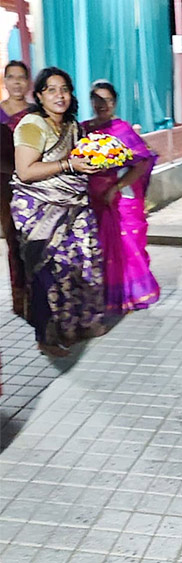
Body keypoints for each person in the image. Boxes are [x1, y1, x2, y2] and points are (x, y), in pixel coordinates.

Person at [11, 67, 105, 357]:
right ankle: (46, 338)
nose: (59, 95)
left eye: (64, 88)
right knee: (46, 276)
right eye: (51, 89)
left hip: (73, 210)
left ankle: (73, 328)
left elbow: (78, 163)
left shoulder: (73, 127)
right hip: (40, 212)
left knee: (75, 272)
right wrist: (68, 166)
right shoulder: (31, 124)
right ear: (39, 95)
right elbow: (26, 172)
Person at [81, 80, 160, 315]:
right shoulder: (85, 129)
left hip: (121, 198)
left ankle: (133, 294)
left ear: (114, 103)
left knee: (128, 245)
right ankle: (108, 295)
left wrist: (116, 187)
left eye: (107, 100)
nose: (102, 104)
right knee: (101, 249)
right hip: (94, 199)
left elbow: (143, 161)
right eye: (97, 99)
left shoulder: (122, 129)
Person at [0, 60, 31, 316]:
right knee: (13, 241)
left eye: (22, 77)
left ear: (29, 82)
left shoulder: (36, 114)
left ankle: (39, 298)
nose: (17, 82)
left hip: (34, 186)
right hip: (4, 188)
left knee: (35, 243)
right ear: (5, 81)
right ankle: (20, 300)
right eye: (12, 77)